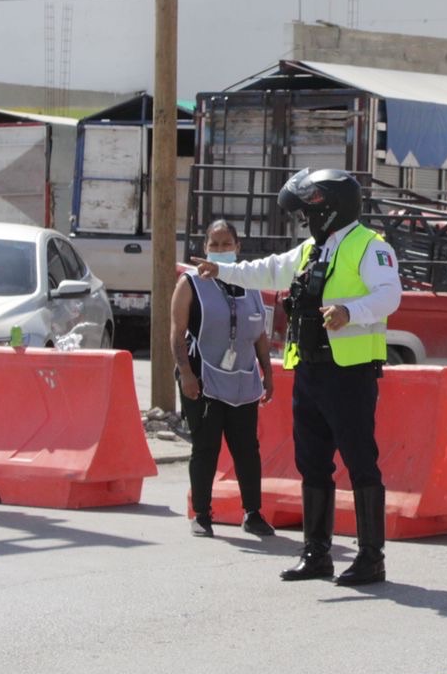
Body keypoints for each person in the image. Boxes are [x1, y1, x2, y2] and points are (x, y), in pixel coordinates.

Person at [194, 167, 401, 586]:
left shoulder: (370, 247)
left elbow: (389, 294)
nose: (304, 220)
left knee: (361, 462)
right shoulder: (312, 249)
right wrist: (222, 271)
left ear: (331, 209)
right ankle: (317, 554)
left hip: (350, 372)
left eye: (308, 212)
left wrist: (349, 312)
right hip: (309, 369)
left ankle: (370, 558)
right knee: (312, 463)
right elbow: (267, 271)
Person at [170, 220, 276, 538]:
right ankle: (202, 514)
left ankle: (253, 513)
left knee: (247, 448)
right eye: (214, 245)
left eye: (226, 243)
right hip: (202, 378)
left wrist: (267, 372)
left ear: (238, 247)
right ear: (205, 248)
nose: (220, 250)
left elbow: (259, 334)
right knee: (206, 447)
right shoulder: (190, 283)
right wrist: (186, 374)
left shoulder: (250, 283)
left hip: (243, 379)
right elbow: (176, 333)